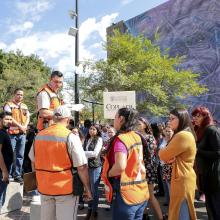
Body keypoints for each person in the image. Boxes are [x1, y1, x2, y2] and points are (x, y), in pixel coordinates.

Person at [31, 105, 92, 220]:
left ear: (53, 118)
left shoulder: (38, 136)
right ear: (68, 120)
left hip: (44, 187)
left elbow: (33, 162)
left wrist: (38, 180)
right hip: (65, 189)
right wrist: (87, 189)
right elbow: (82, 167)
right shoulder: (70, 137)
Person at [102, 108, 149, 220]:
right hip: (141, 191)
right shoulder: (137, 136)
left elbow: (120, 167)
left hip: (126, 194)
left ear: (121, 119)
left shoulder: (121, 139)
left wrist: (107, 174)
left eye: (115, 117)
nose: (113, 121)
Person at [159, 108, 197, 220]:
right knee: (180, 211)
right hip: (181, 177)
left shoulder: (182, 135)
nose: (169, 121)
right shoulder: (184, 134)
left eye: (172, 119)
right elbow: (167, 156)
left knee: (181, 213)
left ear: (181, 119)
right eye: (168, 119)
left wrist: (163, 152)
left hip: (181, 178)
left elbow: (163, 155)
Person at [192, 106, 220, 219]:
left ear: (206, 116)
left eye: (198, 116)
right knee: (210, 208)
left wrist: (198, 151)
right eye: (194, 116)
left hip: (214, 175)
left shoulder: (212, 130)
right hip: (205, 174)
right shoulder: (200, 130)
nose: (195, 118)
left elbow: (218, 152)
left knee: (216, 207)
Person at [137, 117, 164, 220]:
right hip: (138, 169)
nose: (138, 125)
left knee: (150, 196)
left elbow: (150, 154)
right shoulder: (135, 136)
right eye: (137, 123)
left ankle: (160, 217)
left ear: (145, 125)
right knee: (141, 195)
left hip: (148, 169)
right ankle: (144, 215)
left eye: (140, 123)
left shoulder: (149, 137)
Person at [4, 88, 30, 182]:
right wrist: (20, 126)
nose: (20, 96)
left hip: (22, 134)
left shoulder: (25, 106)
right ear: (14, 95)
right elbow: (9, 117)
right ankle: (8, 174)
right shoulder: (8, 105)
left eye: (22, 95)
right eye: (18, 94)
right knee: (9, 154)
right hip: (11, 134)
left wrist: (25, 126)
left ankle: (17, 175)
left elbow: (28, 117)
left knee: (20, 155)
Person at [83, 124, 103, 220]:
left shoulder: (99, 139)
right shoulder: (87, 139)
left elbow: (95, 154)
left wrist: (82, 153)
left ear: (97, 131)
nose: (91, 130)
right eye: (90, 129)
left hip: (95, 167)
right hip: (86, 166)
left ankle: (94, 211)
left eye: (94, 129)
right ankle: (90, 209)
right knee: (89, 189)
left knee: (94, 189)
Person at [0, 111, 13, 212]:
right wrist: (4, 171)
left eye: (10, 119)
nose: (9, 121)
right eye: (6, 119)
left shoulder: (4, 133)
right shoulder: (1, 133)